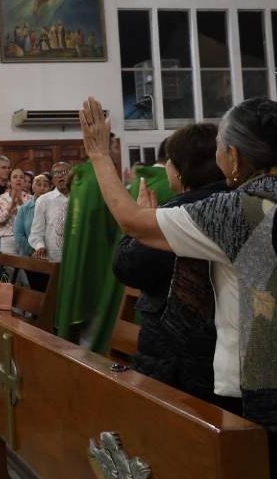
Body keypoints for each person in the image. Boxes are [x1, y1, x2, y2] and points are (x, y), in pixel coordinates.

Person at [81, 96, 277, 479]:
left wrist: (100, 155)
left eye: (220, 147)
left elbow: (131, 222)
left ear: (233, 156)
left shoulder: (235, 211)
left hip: (263, 402)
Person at [113, 123, 228, 402]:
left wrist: (143, 224)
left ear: (179, 170)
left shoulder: (179, 212)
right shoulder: (236, 202)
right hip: (224, 349)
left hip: (180, 359)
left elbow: (129, 267)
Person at [56, 137, 173, 349]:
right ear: (106, 147)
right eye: (116, 145)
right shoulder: (100, 179)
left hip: (86, 260)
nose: (119, 149)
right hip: (103, 261)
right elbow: (116, 222)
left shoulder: (83, 176)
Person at [30, 162, 71, 262]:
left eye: (64, 172)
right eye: (56, 173)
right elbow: (36, 232)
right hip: (53, 257)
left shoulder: (80, 198)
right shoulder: (43, 200)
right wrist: (40, 246)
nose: (60, 176)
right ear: (52, 180)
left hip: (76, 254)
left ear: (71, 176)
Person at [0, 168, 31, 255]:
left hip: (25, 239)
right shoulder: (0, 199)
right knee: (8, 264)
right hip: (7, 240)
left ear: (24, 181)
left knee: (24, 264)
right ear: (9, 181)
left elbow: (32, 221)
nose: (18, 179)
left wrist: (21, 204)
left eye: (21, 177)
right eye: (15, 177)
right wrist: (9, 210)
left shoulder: (30, 199)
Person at [13, 173, 50, 257]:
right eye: (38, 185)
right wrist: (34, 250)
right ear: (33, 187)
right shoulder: (23, 209)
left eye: (45, 185)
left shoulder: (54, 206)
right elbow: (19, 235)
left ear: (50, 188)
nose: (42, 188)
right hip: (29, 254)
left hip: (51, 253)